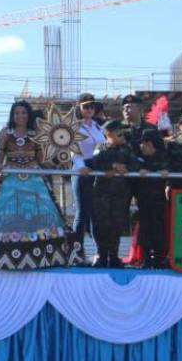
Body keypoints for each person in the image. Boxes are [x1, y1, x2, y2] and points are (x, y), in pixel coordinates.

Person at [0, 100, 79, 270]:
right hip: (10, 178)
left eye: (24, 113)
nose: (20, 116)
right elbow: (0, 159)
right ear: (12, 115)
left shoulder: (37, 133)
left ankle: (44, 255)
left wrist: (58, 155)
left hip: (35, 178)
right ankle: (1, 254)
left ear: (28, 115)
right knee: (7, 213)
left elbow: (41, 159)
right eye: (17, 113)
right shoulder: (5, 133)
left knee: (41, 214)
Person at [79, 119, 133, 268]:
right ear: (109, 134)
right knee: (100, 225)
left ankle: (114, 256)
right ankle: (101, 256)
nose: (122, 134)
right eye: (118, 132)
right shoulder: (100, 147)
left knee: (117, 225)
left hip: (120, 193)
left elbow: (135, 163)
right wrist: (112, 166)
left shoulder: (127, 148)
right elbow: (95, 163)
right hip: (101, 194)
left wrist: (124, 168)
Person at [71, 92, 106, 253]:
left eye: (92, 106)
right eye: (85, 106)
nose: (89, 109)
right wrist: (80, 166)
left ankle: (100, 253)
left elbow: (103, 147)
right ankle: (77, 252)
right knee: (82, 213)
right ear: (79, 108)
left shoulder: (98, 127)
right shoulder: (75, 127)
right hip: (82, 169)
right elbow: (73, 149)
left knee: (96, 213)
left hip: (97, 169)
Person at [133, 128, 170, 269]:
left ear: (150, 144)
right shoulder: (139, 157)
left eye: (143, 143)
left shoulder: (163, 157)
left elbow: (168, 169)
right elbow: (134, 167)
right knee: (144, 228)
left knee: (158, 228)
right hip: (143, 198)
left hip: (158, 199)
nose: (141, 146)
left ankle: (159, 258)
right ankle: (146, 258)